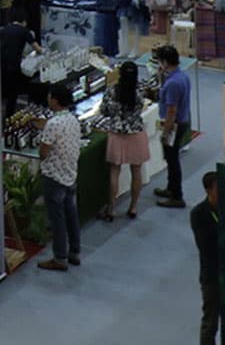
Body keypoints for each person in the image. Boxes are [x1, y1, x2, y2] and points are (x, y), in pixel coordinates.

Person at [33, 82, 82, 272]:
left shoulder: (53, 124)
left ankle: (59, 257)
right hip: (70, 173)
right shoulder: (72, 119)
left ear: (54, 100)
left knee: (57, 219)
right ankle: (74, 252)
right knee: (71, 215)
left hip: (54, 176)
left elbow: (44, 152)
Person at [93, 63, 149, 222]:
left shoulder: (111, 91)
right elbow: (141, 107)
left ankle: (110, 209)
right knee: (136, 171)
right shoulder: (139, 91)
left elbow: (104, 111)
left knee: (114, 172)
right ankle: (133, 207)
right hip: (136, 133)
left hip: (117, 134)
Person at [190, 172, 221, 345]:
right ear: (209, 190)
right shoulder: (199, 214)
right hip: (212, 277)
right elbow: (207, 246)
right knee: (210, 323)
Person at [154, 44, 192, 207]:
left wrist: (165, 132)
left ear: (165, 62)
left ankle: (177, 196)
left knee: (172, 159)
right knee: (171, 159)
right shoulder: (181, 77)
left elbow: (171, 111)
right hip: (181, 121)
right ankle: (171, 188)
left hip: (174, 126)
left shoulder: (173, 84)